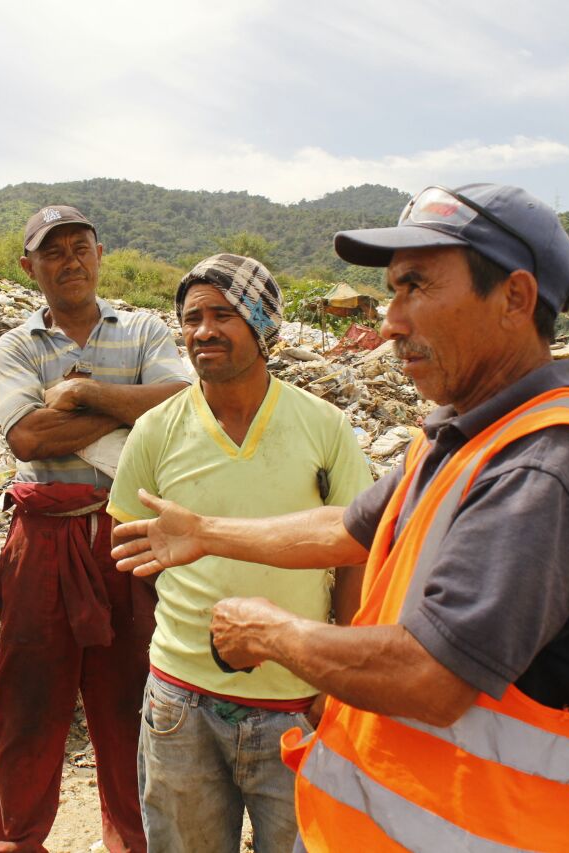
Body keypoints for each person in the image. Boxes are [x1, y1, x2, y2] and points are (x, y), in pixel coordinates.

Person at [111, 184, 569, 852]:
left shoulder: (541, 469)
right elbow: (348, 529)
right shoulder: (464, 439)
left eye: (416, 286)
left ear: (516, 298)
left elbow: (429, 675)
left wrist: (270, 632)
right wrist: (206, 533)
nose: (390, 320)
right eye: (392, 291)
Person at [107, 253, 371, 852]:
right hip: (181, 706)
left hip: (297, 700)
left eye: (223, 314)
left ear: (262, 325)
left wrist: (339, 674)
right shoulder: (156, 430)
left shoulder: (321, 427)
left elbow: (355, 553)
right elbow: (134, 554)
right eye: (193, 316)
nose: (203, 330)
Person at [0, 205, 191, 853]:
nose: (69, 261)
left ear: (100, 254)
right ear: (29, 267)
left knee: (132, 694)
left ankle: (134, 837)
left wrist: (77, 393)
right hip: (44, 536)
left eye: (80, 248)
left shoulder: (145, 328)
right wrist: (127, 409)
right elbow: (25, 436)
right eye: (53, 252)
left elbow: (184, 402)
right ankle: (15, 838)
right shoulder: (18, 344)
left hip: (128, 536)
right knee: (29, 698)